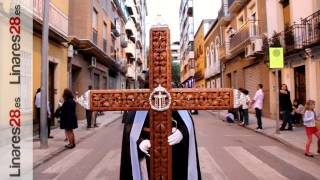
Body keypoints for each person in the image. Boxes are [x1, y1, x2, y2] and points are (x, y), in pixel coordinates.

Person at [119, 78, 202, 180]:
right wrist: (139, 142)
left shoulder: (173, 98)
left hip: (174, 153)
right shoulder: (141, 100)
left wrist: (182, 133)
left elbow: (187, 123)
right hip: (148, 154)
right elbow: (130, 128)